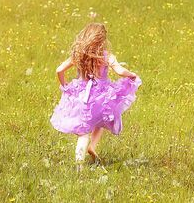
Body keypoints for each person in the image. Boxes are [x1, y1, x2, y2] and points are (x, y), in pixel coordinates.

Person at [50, 22, 142, 171]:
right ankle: (92, 147)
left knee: (83, 133)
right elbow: (119, 71)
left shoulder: (78, 56)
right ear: (102, 40)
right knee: (100, 121)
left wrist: (65, 86)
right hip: (102, 97)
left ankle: (79, 166)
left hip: (82, 97)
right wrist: (132, 75)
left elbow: (59, 70)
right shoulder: (106, 56)